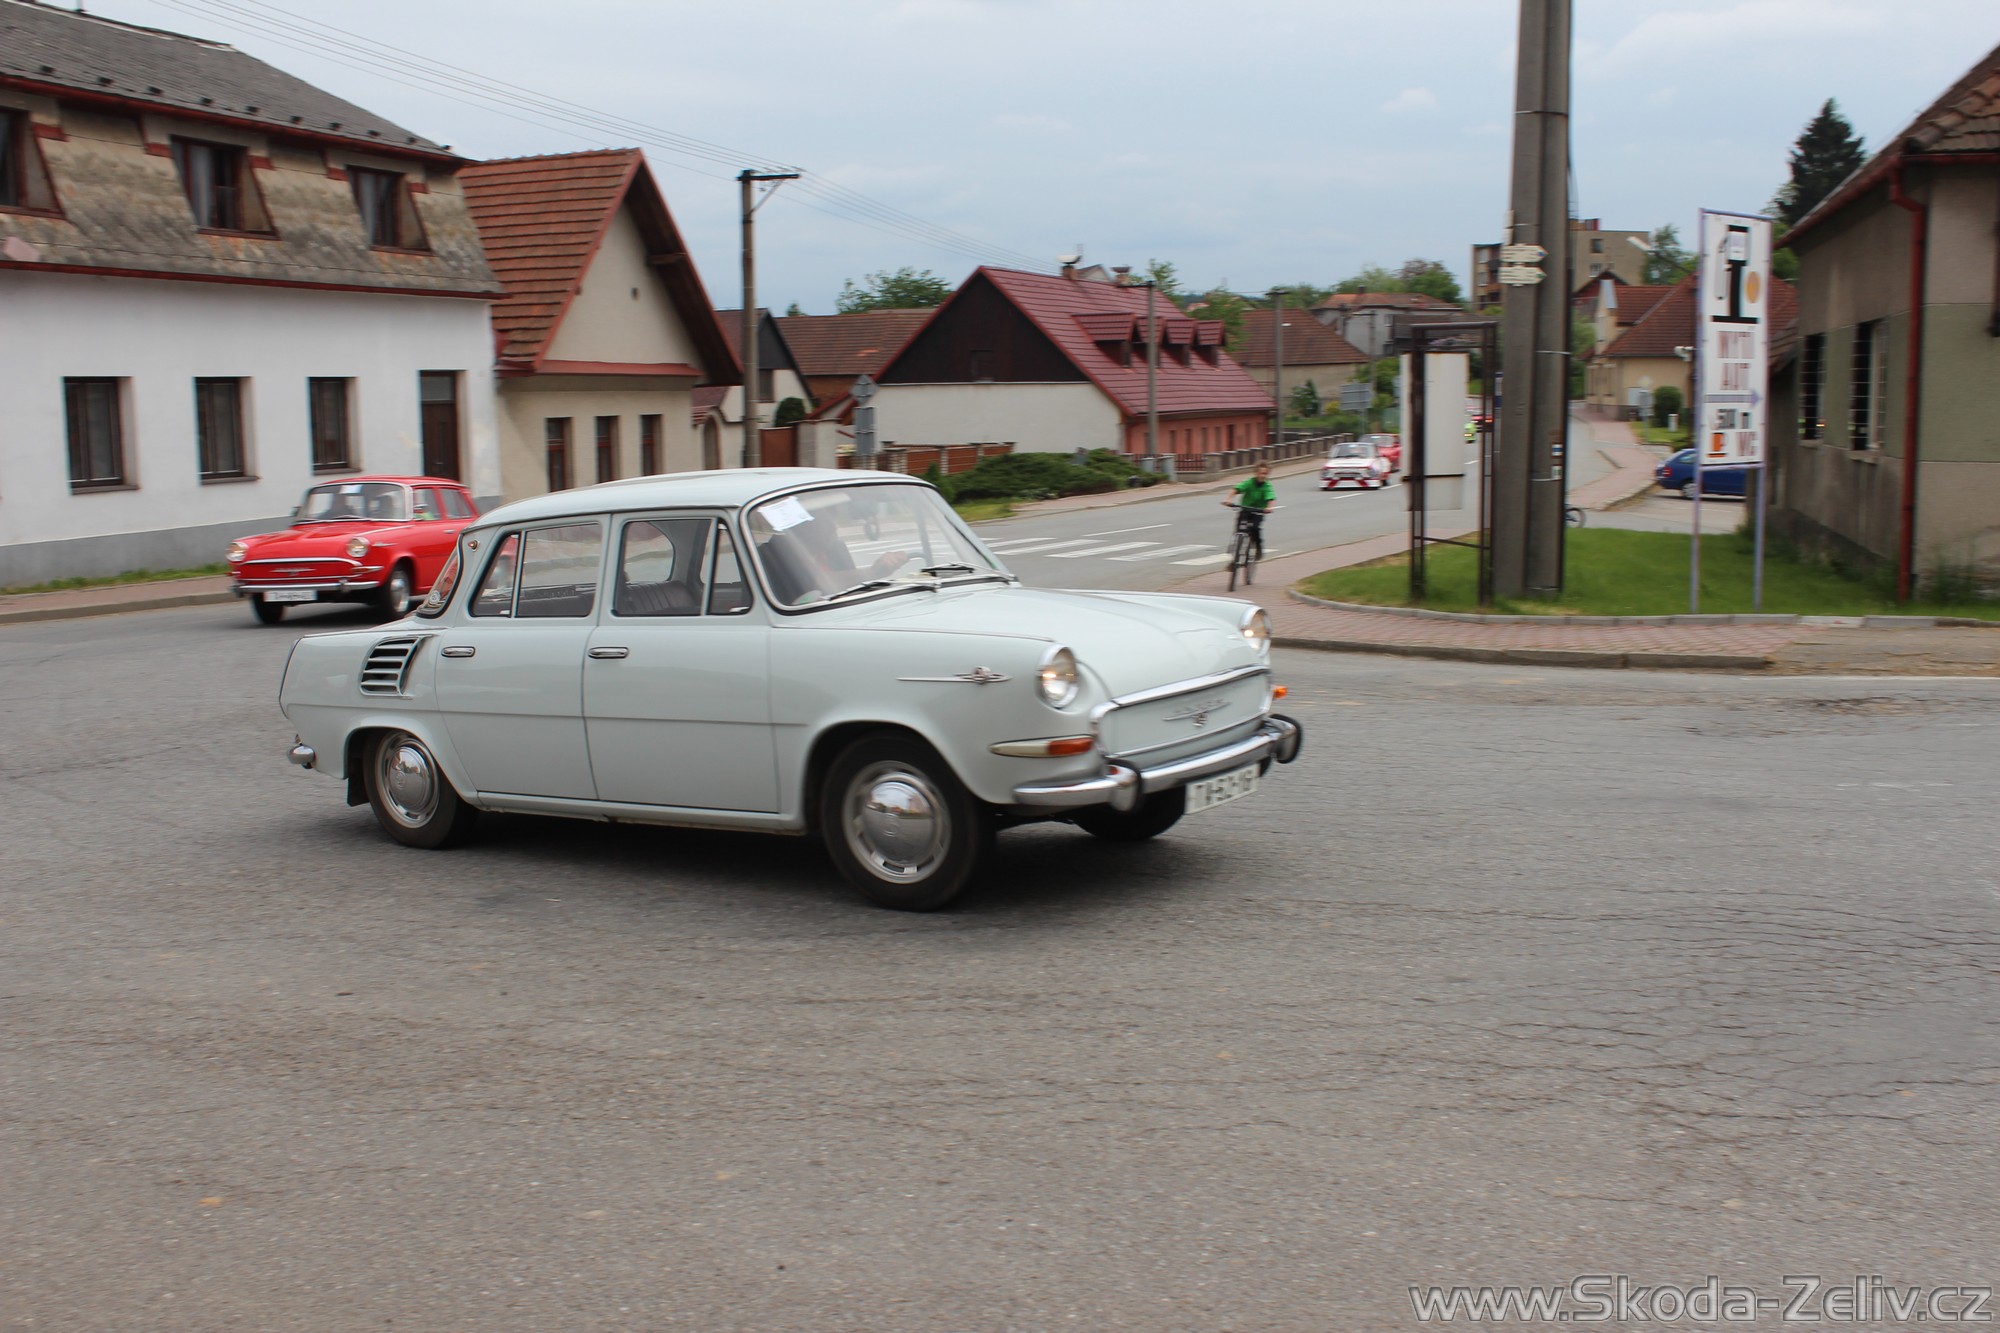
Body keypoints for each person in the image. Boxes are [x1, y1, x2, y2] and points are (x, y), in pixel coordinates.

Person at [1225, 462, 1276, 560]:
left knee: (1255, 529)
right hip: (1245, 509)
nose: (1263, 476)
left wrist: (1269, 507)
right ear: (1256, 473)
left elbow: (1270, 498)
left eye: (1265, 473)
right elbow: (1236, 489)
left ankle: (1258, 548)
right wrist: (1228, 499)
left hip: (1258, 511)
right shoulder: (1249, 482)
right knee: (1239, 528)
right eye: (1261, 473)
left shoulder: (1267, 486)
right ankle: (1235, 558)